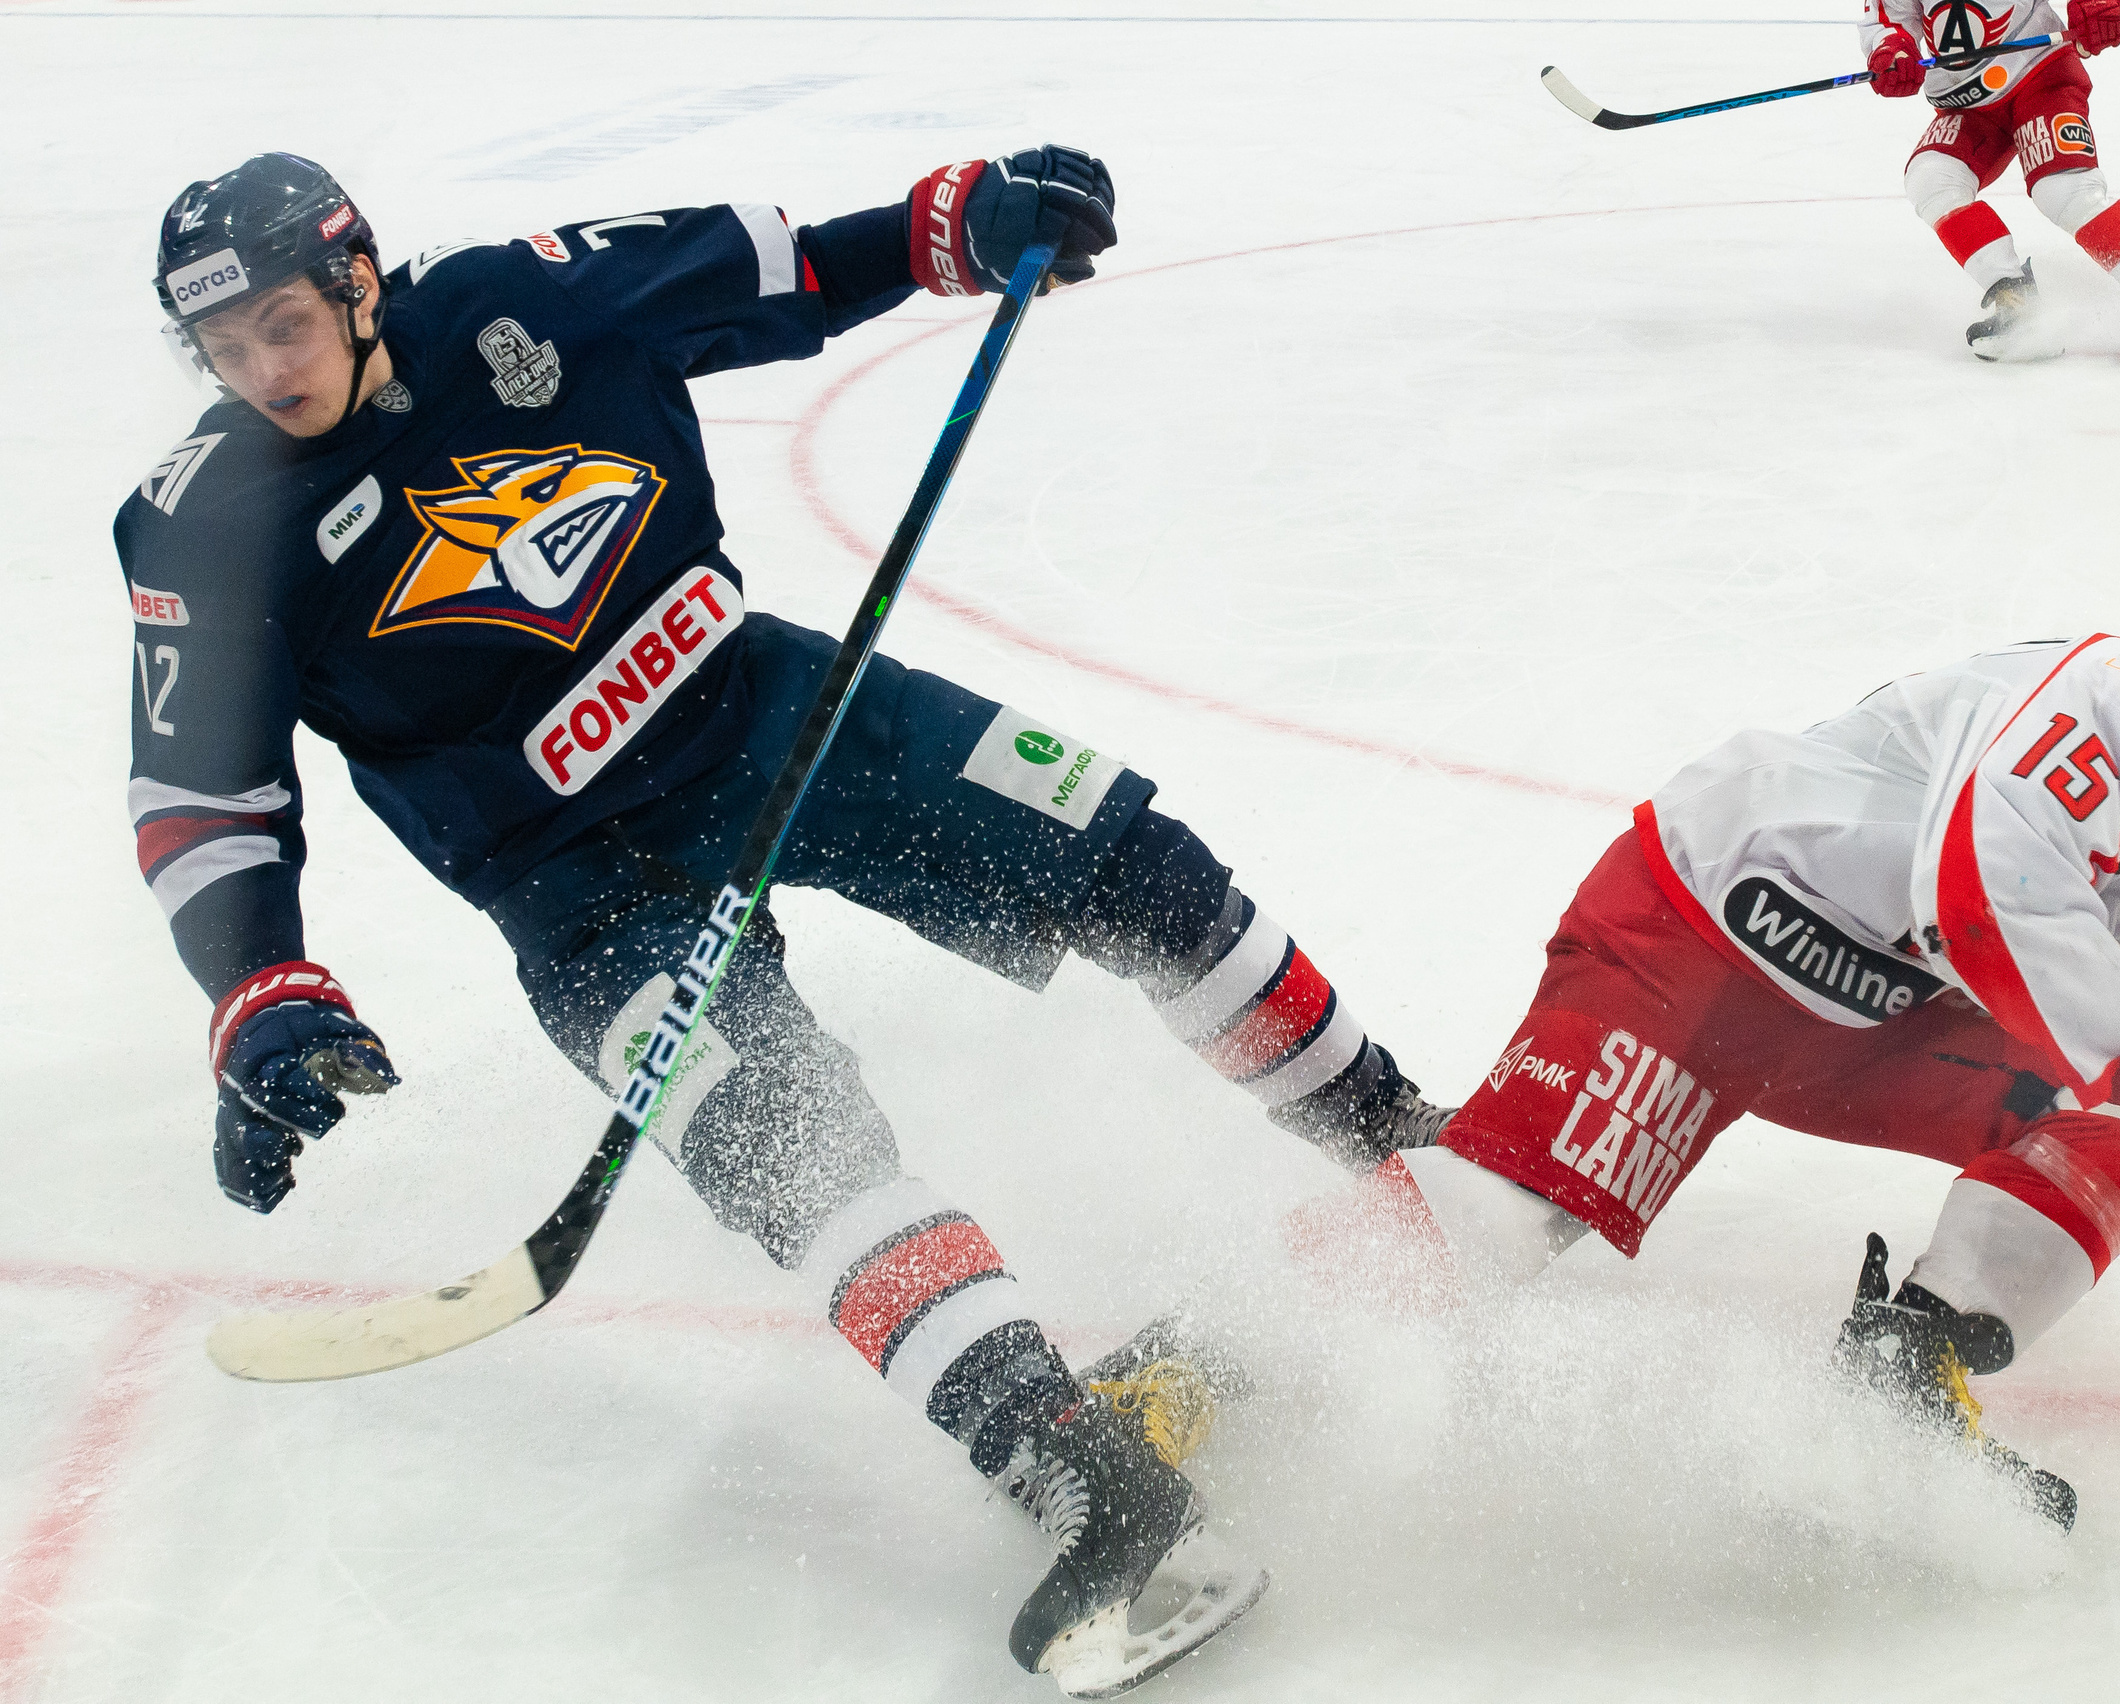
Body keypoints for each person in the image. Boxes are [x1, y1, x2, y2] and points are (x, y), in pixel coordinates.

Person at [122, 151, 1441, 1693]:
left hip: (761, 710)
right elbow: (204, 808)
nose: (259, 372)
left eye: (282, 324)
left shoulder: (524, 303)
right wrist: (262, 996)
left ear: (357, 280)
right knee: (793, 1150)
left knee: (1135, 865)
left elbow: (790, 268)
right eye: (220, 349)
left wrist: (963, 224)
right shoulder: (202, 525)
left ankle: (1402, 1144)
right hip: (576, 887)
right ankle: (1075, 1462)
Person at [1343, 587, 2120, 1526]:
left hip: (1883, 1025)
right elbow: (1987, 882)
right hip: (1705, 939)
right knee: (1502, 1219)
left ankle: (1904, 1369)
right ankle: (1180, 1383)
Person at [1859, 0, 2120, 362]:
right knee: (1932, 177)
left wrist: (2096, 6)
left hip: (2040, 76)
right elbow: (1887, 20)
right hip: (1966, 102)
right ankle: (2017, 302)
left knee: (2063, 189)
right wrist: (1891, 50)